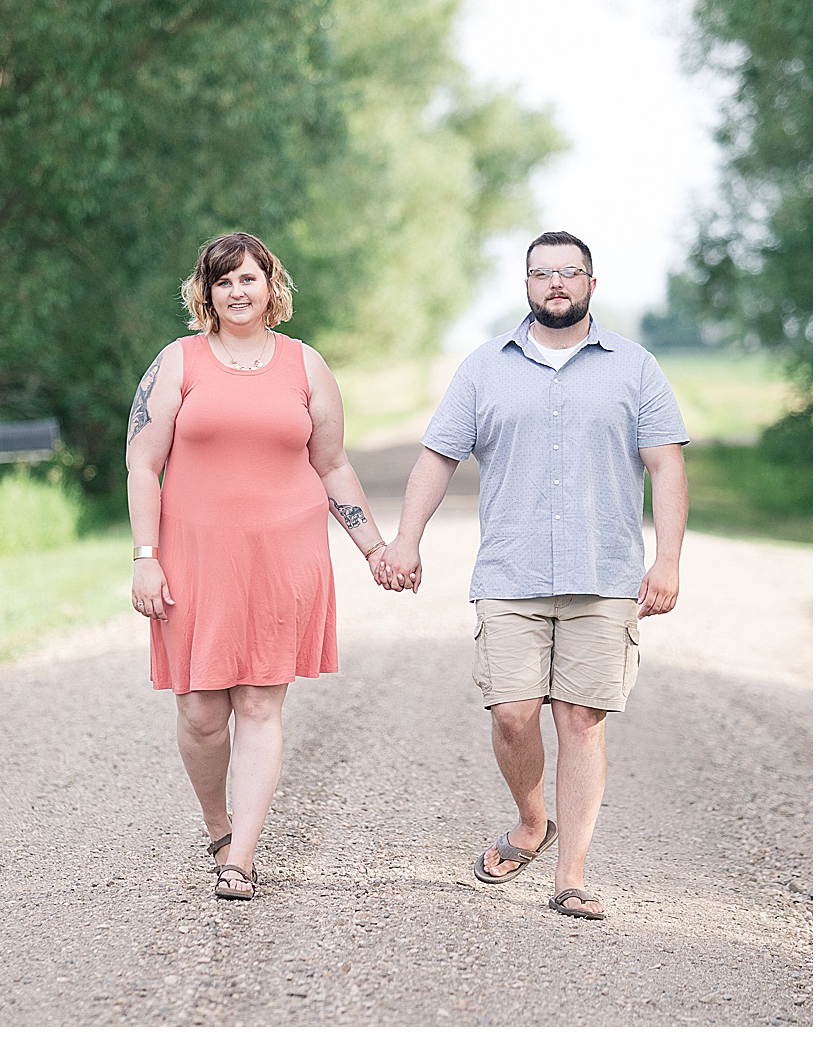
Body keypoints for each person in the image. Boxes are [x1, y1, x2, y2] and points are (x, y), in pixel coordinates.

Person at [377, 230, 689, 921]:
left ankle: (570, 876)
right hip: (510, 574)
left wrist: (666, 559)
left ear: (591, 284)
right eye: (542, 273)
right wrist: (405, 539)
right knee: (514, 716)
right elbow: (438, 458)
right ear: (526, 286)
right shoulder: (485, 368)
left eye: (568, 273)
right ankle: (530, 821)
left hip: (604, 577)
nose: (555, 284)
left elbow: (666, 464)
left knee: (581, 720)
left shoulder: (634, 367)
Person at [126, 231, 391, 900]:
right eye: (224, 281)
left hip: (283, 556)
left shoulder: (306, 365)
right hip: (193, 559)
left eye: (250, 278)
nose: (238, 290)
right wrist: (145, 557)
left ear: (273, 286)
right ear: (206, 293)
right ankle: (219, 825)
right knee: (202, 716)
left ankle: (240, 856)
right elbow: (142, 462)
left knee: (259, 703)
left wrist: (373, 548)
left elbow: (331, 465)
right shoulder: (177, 361)